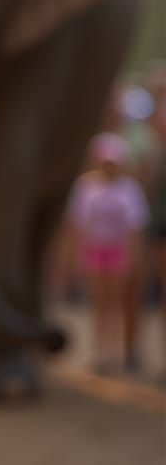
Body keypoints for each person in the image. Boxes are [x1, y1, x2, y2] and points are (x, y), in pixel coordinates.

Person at [60, 132, 150, 375]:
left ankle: (116, 351)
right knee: (99, 301)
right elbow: (76, 224)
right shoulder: (86, 187)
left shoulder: (130, 189)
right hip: (95, 250)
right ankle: (100, 351)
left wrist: (133, 257)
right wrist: (73, 256)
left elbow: (135, 228)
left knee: (117, 302)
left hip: (118, 250)